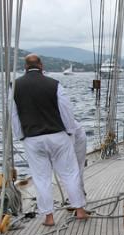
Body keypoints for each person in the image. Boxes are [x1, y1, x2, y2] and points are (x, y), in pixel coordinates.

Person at [11, 54, 87, 226]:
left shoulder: (14, 87)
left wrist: (20, 135)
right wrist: (69, 132)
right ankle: (80, 210)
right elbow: (66, 111)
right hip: (57, 135)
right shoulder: (54, 85)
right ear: (41, 65)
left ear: (25, 67)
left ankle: (49, 217)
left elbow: (14, 115)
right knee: (69, 173)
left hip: (33, 138)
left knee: (41, 178)